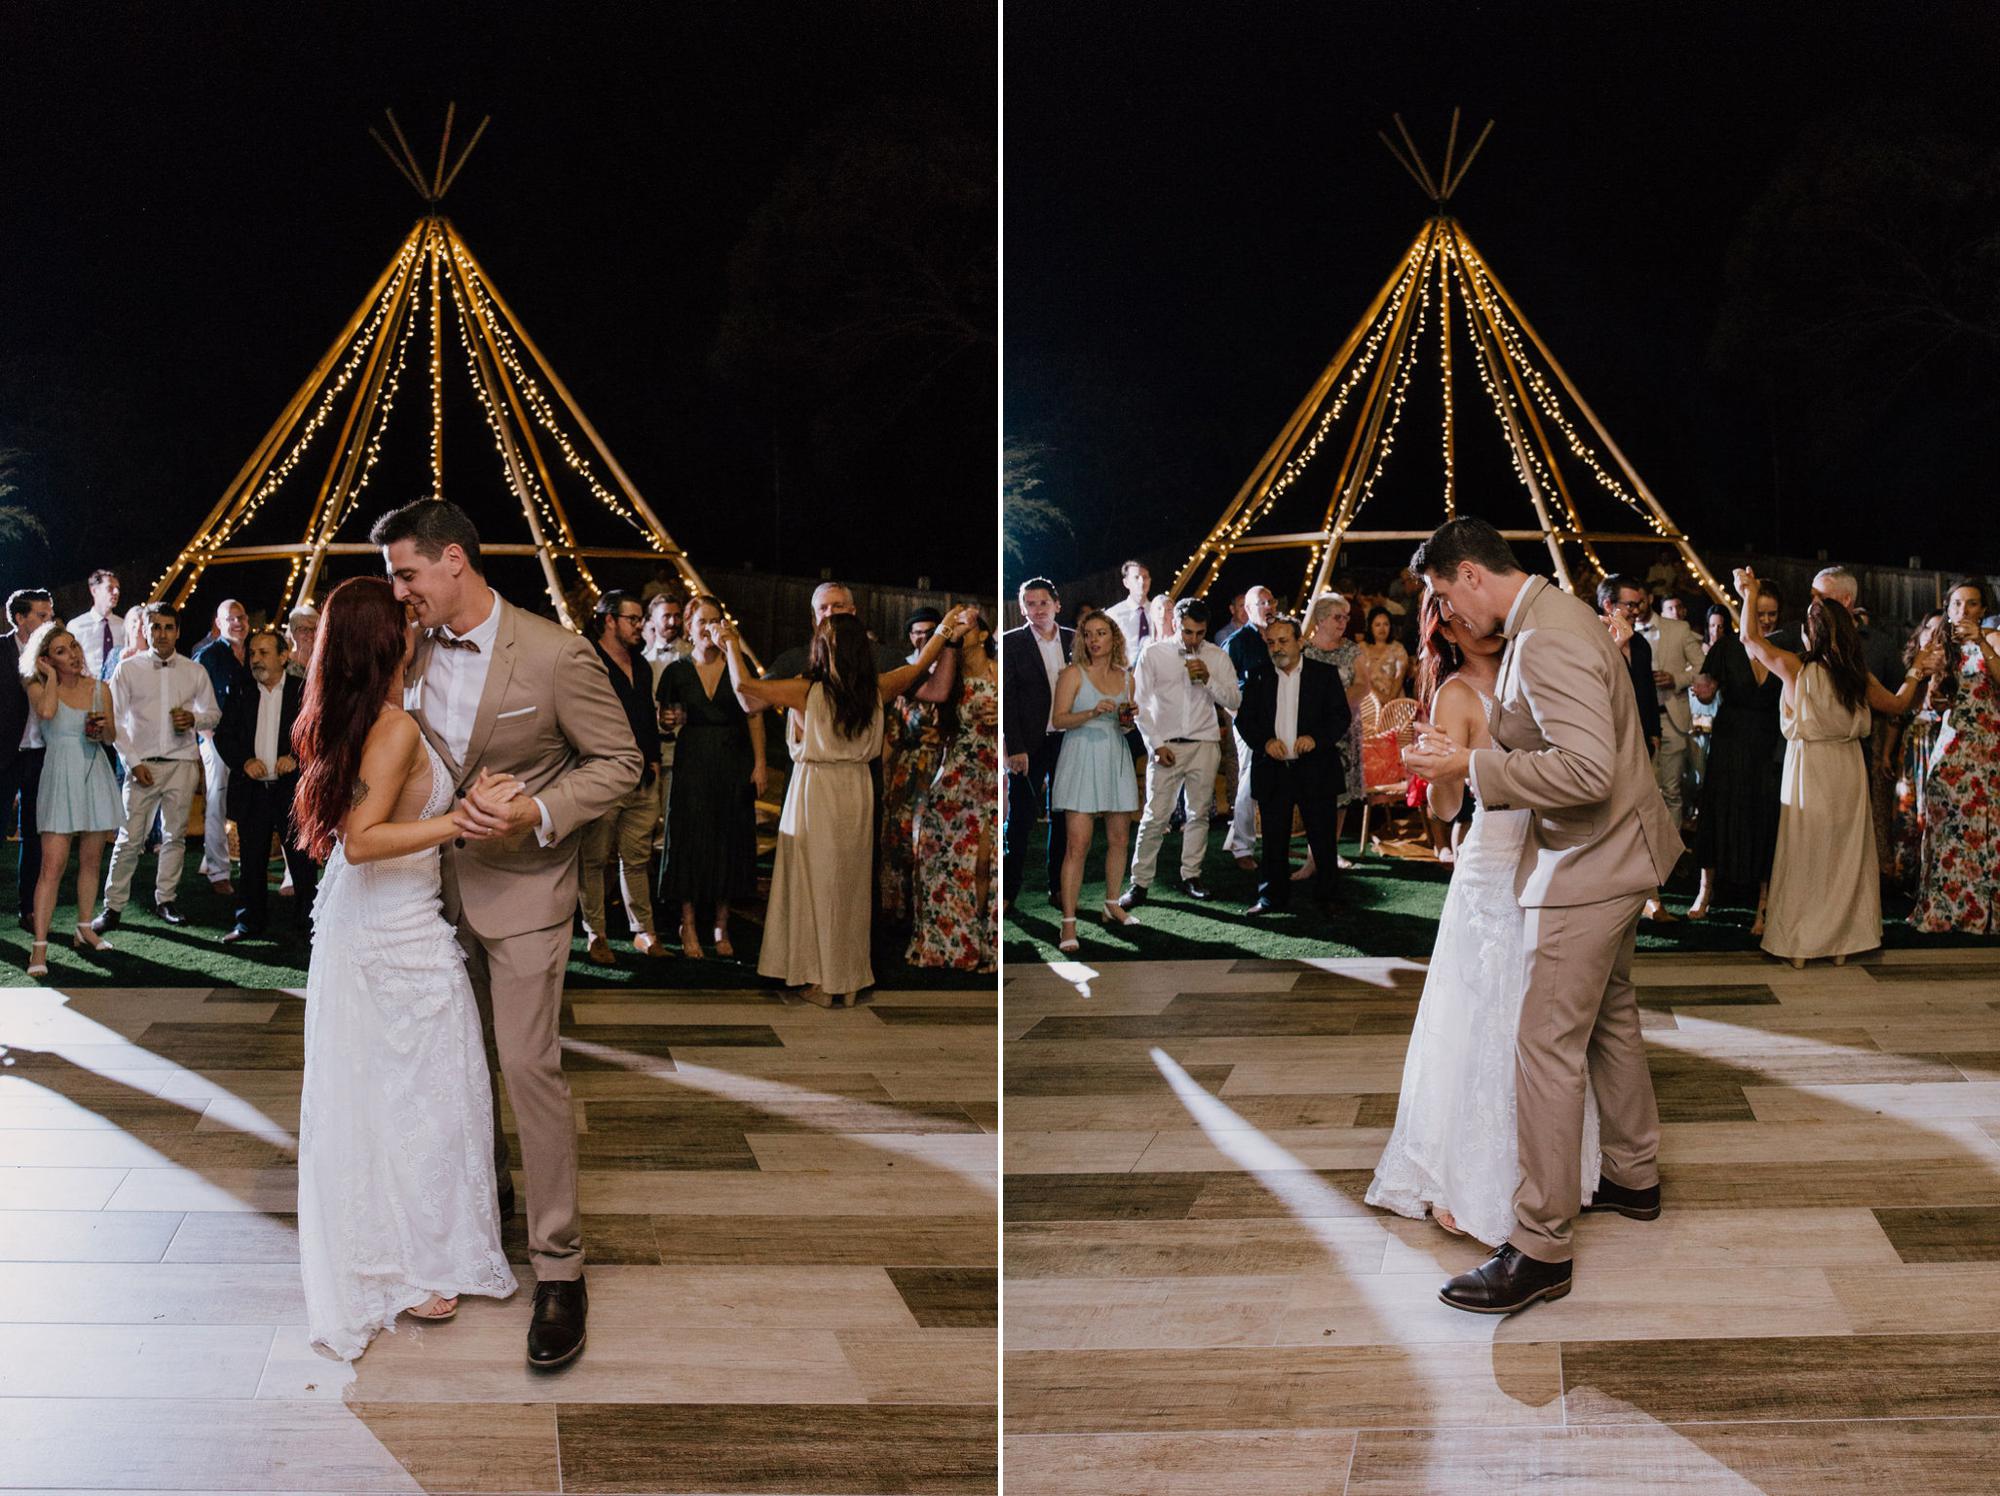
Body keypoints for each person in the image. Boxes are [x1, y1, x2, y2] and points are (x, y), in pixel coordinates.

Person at [374, 496, 643, 1369]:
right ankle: (473, 1219)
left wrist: (535, 809)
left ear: (456, 560)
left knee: (528, 1067)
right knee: (453, 1068)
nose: (398, 591)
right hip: (421, 894)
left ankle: (560, 1268)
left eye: (406, 573)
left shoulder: (558, 654)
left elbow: (620, 763)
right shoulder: (404, 650)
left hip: (526, 889)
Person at [1403, 516, 1681, 1316]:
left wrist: (1470, 764)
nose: (1448, 615)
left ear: (1469, 575)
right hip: (1625, 853)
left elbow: (1588, 770)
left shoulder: (1546, 637)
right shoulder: (1559, 616)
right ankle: (1634, 1175)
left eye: (1444, 596)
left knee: (1544, 1046)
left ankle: (1540, 1246)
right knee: (1611, 1019)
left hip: (1588, 864)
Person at [289, 576, 518, 1359]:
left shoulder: (368, 716)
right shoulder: (392, 728)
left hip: (383, 921)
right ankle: (408, 1262)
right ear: (388, 641)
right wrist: (458, 818)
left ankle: (404, 1249)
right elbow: (361, 839)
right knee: (421, 1086)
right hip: (391, 932)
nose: (419, 626)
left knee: (399, 1086)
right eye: (408, 620)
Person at [1369, 588, 1601, 1245]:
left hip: (1554, 853)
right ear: (1447, 629)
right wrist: (1433, 769)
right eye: (1461, 619)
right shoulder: (1454, 695)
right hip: (1492, 858)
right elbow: (1445, 810)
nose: (1482, 623)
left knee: (1543, 1015)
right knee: (1477, 1012)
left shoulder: (1537, 670)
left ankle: (1553, 1171)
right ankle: (1460, 1175)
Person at [723, 607, 966, 1003]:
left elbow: (746, 691)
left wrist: (730, 644)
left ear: (823, 648)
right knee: (849, 888)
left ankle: (825, 981)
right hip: (856, 790)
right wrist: (944, 630)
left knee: (817, 885)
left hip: (815, 790)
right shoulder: (879, 688)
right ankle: (848, 980)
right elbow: (923, 664)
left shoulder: (806, 691)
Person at [1735, 572, 1882, 966]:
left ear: (1810, 635)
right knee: (1844, 856)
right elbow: (1897, 706)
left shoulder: (1796, 668)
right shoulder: (1854, 675)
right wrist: (1918, 670)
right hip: (1848, 769)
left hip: (1810, 768)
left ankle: (1800, 946)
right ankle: (1842, 944)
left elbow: (1750, 641)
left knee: (1805, 854)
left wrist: (1748, 595)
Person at [656, 596, 768, 959]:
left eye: (716, 620)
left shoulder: (740, 662)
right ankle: (687, 923)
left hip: (733, 758)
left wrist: (761, 763)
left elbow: (754, 715)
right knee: (690, 838)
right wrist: (667, 722)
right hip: (693, 760)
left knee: (729, 837)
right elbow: (665, 718)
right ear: (689, 626)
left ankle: (721, 923)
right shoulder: (676, 671)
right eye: (702, 620)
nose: (709, 627)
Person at [96, 605, 219, 931]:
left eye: (168, 627)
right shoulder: (128, 669)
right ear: (146, 631)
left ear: (177, 631)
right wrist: (133, 764)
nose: (162, 633)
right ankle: (113, 907)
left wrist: (195, 718)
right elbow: (115, 722)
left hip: (182, 763)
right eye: (156, 627)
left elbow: (213, 714)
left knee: (174, 836)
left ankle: (166, 900)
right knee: (128, 839)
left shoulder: (194, 671)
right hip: (142, 766)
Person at [1122, 597, 1239, 907]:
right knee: (1155, 816)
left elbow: (1234, 699)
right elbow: (1141, 704)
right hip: (1167, 746)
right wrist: (1156, 744)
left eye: (1200, 633)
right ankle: (1139, 883)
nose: (1194, 639)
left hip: (1204, 744)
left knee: (1198, 814)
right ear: (1175, 622)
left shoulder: (1215, 656)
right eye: (1188, 632)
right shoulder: (1154, 654)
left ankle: (1192, 876)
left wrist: (1208, 679)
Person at [21, 622, 121, 975]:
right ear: (46, 659)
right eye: (62, 651)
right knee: (52, 866)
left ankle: (84, 928)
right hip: (60, 774)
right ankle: (40, 947)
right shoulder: (37, 685)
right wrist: (49, 676)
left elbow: (110, 737)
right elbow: (47, 714)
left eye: (74, 647)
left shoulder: (100, 688)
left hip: (94, 773)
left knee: (92, 860)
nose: (74, 655)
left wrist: (101, 728)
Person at [1236, 615, 1350, 917]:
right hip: (1273, 770)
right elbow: (1244, 721)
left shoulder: (1323, 675)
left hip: (1315, 768)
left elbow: (1340, 717)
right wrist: (1264, 743)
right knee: (1273, 839)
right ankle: (1271, 898)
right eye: (1271, 642)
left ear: (1300, 642)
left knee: (1323, 839)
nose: (1276, 647)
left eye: (1283, 640)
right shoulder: (1257, 675)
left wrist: (1316, 738)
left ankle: (1328, 898)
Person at [1686, 586, 1786, 928]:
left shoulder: (1786, 647)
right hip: (1729, 738)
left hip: (1769, 738)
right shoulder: (1727, 647)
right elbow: (1704, 691)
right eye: (1760, 614)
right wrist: (1702, 691)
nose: (1767, 620)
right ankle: (1705, 889)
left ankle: (1765, 902)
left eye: (1772, 613)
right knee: (1717, 810)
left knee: (1765, 814)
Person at [908, 610, 1000, 971]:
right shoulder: (950, 674)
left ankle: (983, 945)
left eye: (968, 623)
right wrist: (946, 638)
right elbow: (924, 692)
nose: (962, 629)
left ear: (983, 633)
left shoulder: (999, 669)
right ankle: (952, 948)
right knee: (944, 864)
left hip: (991, 777)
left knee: (984, 864)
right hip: (955, 781)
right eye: (956, 624)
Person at [577, 591, 665, 964]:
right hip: (604, 774)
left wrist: (656, 758)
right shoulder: (586, 660)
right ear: (609, 620)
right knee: (595, 859)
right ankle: (596, 934)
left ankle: (643, 931)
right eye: (633, 619)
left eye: (641, 619)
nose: (640, 626)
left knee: (637, 857)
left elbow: (645, 714)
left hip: (643, 776)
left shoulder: (642, 665)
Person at [214, 628, 315, 943]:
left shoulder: (304, 691)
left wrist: (297, 759)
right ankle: (248, 924)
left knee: (302, 863)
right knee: (252, 862)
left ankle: (310, 924)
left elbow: (320, 736)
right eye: (252, 653)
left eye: (264, 652)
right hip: (253, 792)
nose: (255, 659)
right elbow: (223, 736)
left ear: (284, 656)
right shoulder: (241, 691)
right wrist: (244, 761)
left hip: (292, 792)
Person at [1911, 578, 2000, 934]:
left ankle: (1982, 913)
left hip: (1988, 745)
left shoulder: (1993, 641)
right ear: (1948, 610)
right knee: (1946, 826)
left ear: (1983, 609)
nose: (1964, 610)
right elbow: (1930, 700)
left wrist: (1980, 640)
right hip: (1951, 745)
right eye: (1957, 604)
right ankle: (1942, 912)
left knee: (1984, 828)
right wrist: (1934, 687)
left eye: (1972, 603)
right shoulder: (1939, 647)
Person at [1048, 607, 1139, 950]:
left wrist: (1127, 719)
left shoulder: (1126, 676)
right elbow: (1058, 720)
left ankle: (1111, 903)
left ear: (1113, 637)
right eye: (1088, 634)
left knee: (1119, 837)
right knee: (1078, 844)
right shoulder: (1073, 674)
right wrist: (1090, 712)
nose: (1094, 640)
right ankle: (1068, 924)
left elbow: (1125, 724)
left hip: (1114, 754)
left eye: (1101, 633)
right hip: (1082, 756)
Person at [878, 611, 958, 928]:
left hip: (941, 763)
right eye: (916, 632)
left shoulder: (954, 671)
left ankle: (932, 911)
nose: (922, 637)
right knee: (898, 837)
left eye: (929, 631)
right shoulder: (905, 673)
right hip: (905, 764)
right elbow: (892, 729)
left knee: (933, 839)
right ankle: (898, 910)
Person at [1001, 578, 1075, 910]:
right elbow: (1007, 699)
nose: (1037, 609)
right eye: (1030, 604)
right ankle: (1007, 891)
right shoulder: (1011, 643)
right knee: (1020, 820)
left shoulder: (1075, 640)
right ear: (1022, 609)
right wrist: (1014, 746)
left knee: (1062, 817)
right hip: (1027, 745)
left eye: (1043, 602)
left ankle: (1057, 887)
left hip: (1068, 741)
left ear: (1056, 604)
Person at [1294, 592, 1365, 878]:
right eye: (1338, 617)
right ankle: (1313, 856)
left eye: (1346, 617)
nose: (1343, 622)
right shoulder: (1305, 652)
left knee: (1341, 796)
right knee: (1313, 794)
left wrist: (1334, 707)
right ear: (1320, 619)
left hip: (1344, 733)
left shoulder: (1352, 651)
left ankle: (1328, 854)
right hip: (1311, 733)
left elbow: (1363, 686)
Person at [1630, 581, 1704, 840]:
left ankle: (1671, 854)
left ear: (1649, 598)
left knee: (1672, 790)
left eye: (1639, 602)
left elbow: (1702, 667)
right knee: (1644, 791)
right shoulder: (1625, 634)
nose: (1635, 608)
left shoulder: (1679, 629)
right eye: (1630, 604)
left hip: (1671, 717)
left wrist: (1676, 678)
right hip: (1639, 723)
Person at [192, 598, 252, 897]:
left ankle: (250, 865)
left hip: (249, 742)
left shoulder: (254, 651)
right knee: (216, 803)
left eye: (241, 616)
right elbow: (194, 700)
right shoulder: (208, 657)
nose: (238, 622)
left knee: (248, 803)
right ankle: (218, 870)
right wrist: (209, 737)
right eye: (231, 618)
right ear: (219, 622)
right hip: (217, 741)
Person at [2, 588, 55, 927]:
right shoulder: (0, 649)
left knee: (35, 834)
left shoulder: (54, 654)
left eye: (50, 615)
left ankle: (28, 907)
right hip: (4, 756)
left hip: (41, 755)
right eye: (40, 615)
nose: (47, 621)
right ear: (20, 618)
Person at [1885, 613, 1947, 892]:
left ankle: (1936, 876)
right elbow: (1896, 716)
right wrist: (1887, 751)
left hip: (1939, 743)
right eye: (1928, 629)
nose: (1932, 635)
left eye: (1939, 630)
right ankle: (1906, 875)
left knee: (1936, 809)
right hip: (1912, 747)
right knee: (1907, 808)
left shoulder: (1951, 668)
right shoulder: (1910, 669)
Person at [1221, 584, 1277, 867]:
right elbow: (1222, 685)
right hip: (1248, 720)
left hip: (1277, 717)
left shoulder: (1279, 636)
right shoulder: (1237, 642)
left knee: (1273, 779)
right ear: (1248, 610)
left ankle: (1271, 841)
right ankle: (1242, 847)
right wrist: (1238, 717)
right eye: (1261, 603)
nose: (1267, 607)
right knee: (1248, 779)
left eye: (1270, 601)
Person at [66, 569, 122, 682]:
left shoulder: (123, 625)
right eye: (110, 588)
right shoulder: (76, 626)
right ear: (94, 591)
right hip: (87, 688)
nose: (116, 592)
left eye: (118, 588)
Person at [1357, 605, 1411, 705]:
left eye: (1386, 624)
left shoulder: (1398, 648)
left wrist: (1389, 700)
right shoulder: (1361, 648)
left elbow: (1399, 678)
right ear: (1370, 627)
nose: (1382, 629)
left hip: (1394, 702)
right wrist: (1380, 698)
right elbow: (1361, 679)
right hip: (1368, 703)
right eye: (1377, 625)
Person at [1104, 559, 1156, 660]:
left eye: (1145, 577)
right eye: (1136, 577)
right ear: (1126, 582)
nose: (1142, 582)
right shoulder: (1113, 614)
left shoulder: (1158, 611)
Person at [284, 605, 319, 680]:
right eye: (303, 629)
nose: (310, 634)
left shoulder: (324, 666)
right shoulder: (284, 665)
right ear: (293, 633)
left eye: (315, 629)